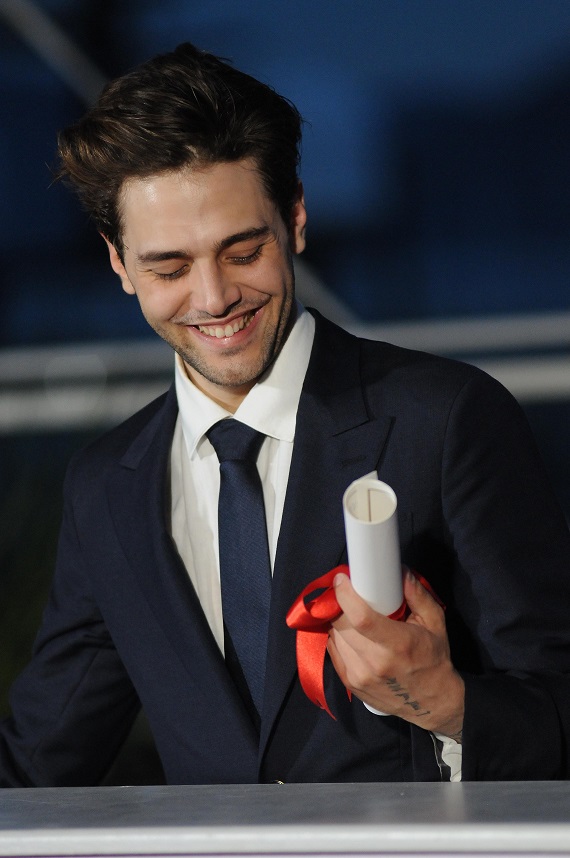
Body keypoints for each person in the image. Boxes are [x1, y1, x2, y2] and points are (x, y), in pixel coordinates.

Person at [2, 42, 570, 787]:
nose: (213, 298)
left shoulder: (446, 420)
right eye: (169, 268)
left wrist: (449, 706)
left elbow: (558, 710)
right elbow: (37, 765)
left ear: (295, 218)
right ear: (118, 262)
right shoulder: (106, 487)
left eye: (243, 252)